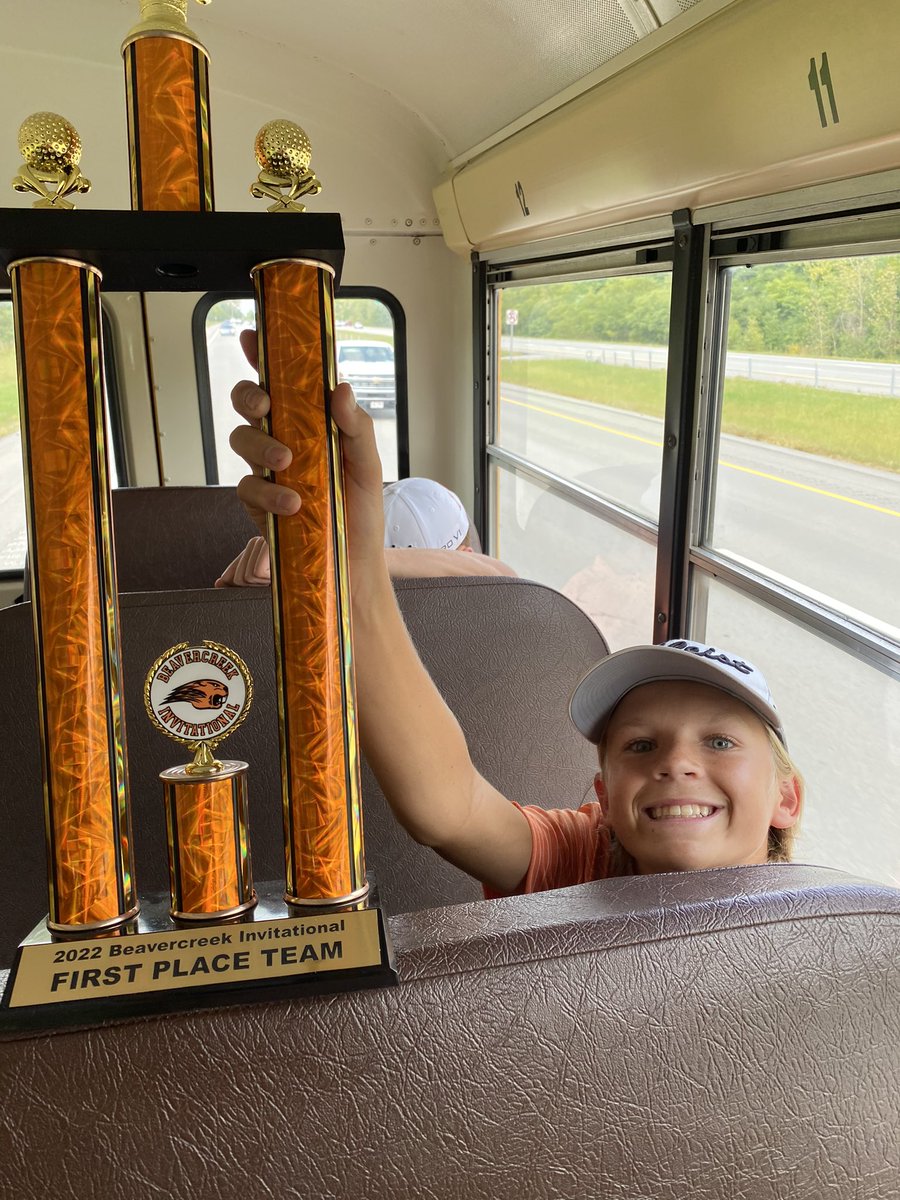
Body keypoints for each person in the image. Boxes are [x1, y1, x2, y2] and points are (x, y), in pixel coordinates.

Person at [229, 337, 804, 897]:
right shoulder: (582, 859)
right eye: (640, 746)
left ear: (787, 797)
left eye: (721, 743)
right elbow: (448, 808)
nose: (677, 763)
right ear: (603, 799)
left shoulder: (834, 929)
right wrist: (351, 568)